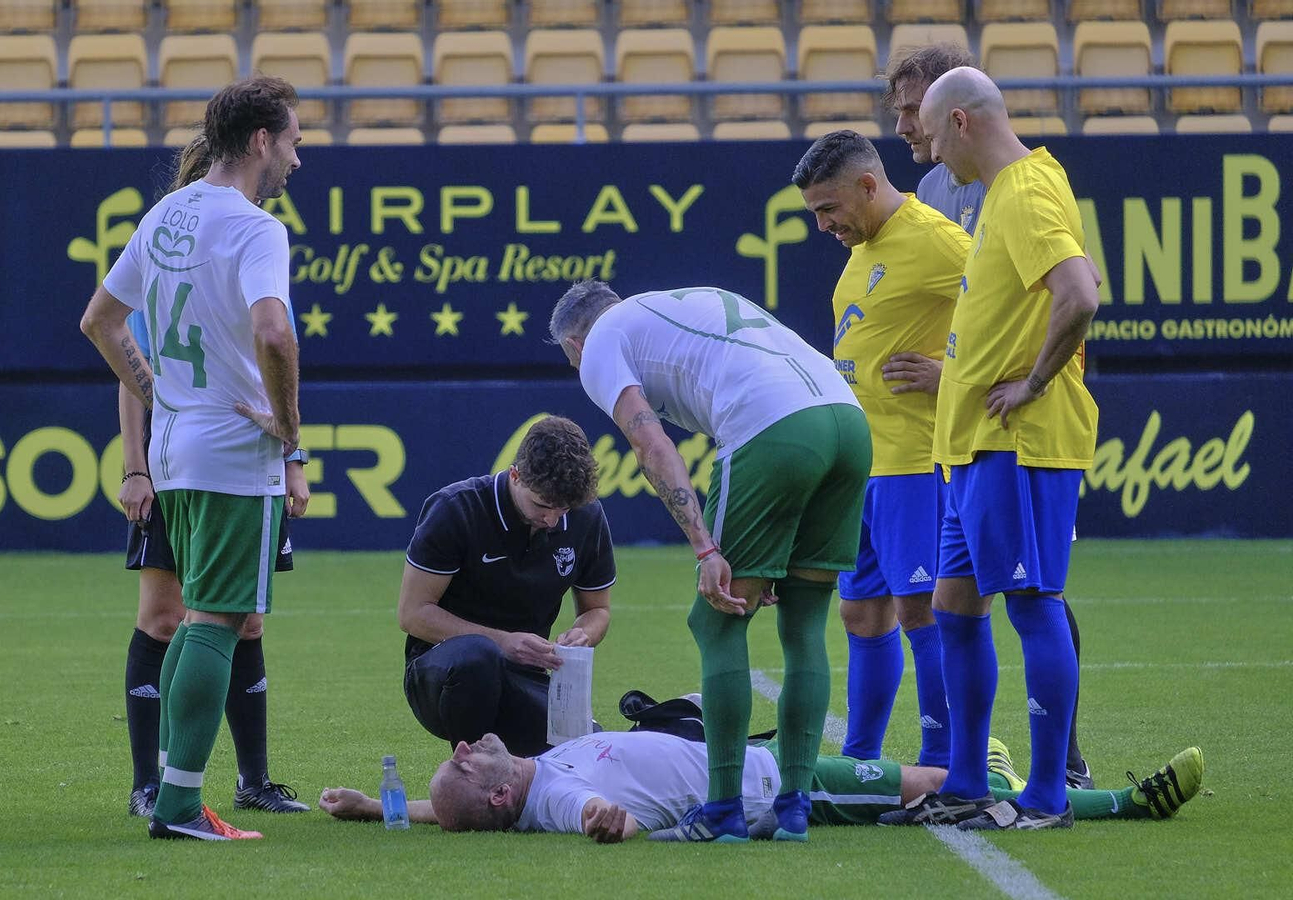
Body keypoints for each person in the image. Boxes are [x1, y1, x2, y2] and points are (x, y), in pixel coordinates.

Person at [549, 281, 870, 843]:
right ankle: (793, 809)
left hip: (772, 426)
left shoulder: (599, 344)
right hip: (848, 422)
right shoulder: (676, 305)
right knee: (803, 621)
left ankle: (724, 810)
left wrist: (706, 549)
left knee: (717, 616)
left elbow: (653, 447)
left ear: (573, 343)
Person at [81, 75, 305, 841]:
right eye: (293, 142)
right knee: (216, 620)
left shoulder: (165, 213)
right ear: (259, 142)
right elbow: (274, 334)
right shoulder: (253, 228)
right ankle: (179, 807)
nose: (297, 161)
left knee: (195, 619)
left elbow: (100, 323)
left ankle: (175, 793)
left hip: (177, 447)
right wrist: (289, 428)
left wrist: (162, 397)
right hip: (233, 450)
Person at [880, 67, 1102, 831]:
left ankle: (1046, 795)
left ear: (964, 123)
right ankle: (969, 781)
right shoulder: (1008, 194)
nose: (931, 151)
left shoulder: (1028, 189)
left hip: (1017, 442)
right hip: (972, 447)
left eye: (934, 135)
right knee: (954, 609)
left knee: (1033, 606)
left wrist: (1035, 382)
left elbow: (1081, 292)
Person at [792, 130, 969, 771]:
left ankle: (944, 762)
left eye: (829, 208)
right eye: (815, 212)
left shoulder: (938, 240)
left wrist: (951, 377)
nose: (823, 224)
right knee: (862, 614)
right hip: (861, 470)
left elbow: (1036, 309)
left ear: (869, 185)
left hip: (915, 467)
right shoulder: (865, 244)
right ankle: (860, 760)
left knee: (922, 608)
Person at [316, 731, 1204, 841]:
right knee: (961, 789)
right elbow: (596, 816)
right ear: (502, 795)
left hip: (769, 760)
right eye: (466, 759)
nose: (467, 743)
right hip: (788, 789)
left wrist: (369, 804)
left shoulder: (526, 778)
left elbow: (456, 812)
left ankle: (999, 774)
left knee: (948, 777)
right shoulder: (547, 797)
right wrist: (606, 822)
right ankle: (1125, 802)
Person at [401, 415, 615, 759]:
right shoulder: (456, 509)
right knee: (479, 657)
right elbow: (412, 614)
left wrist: (582, 635)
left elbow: (597, 610)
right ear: (515, 475)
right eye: (543, 506)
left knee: (590, 751)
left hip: (525, 674)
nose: (553, 520)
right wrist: (502, 642)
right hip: (441, 673)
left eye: (565, 509)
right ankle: (468, 777)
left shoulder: (587, 517)